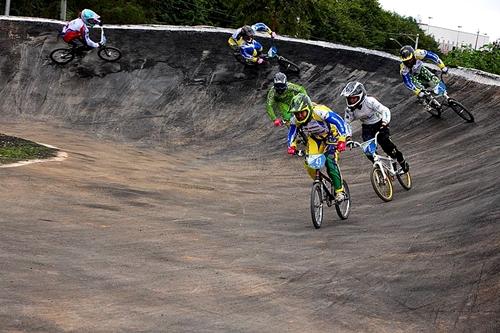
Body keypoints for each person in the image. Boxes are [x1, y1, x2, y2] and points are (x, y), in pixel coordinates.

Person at [287, 94, 348, 202]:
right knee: (309, 164)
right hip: (315, 138)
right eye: (297, 114)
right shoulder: (295, 120)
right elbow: (292, 133)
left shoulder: (320, 112)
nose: (300, 116)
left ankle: (340, 191)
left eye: (302, 112)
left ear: (308, 108)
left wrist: (342, 138)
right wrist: (291, 145)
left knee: (330, 160)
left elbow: (339, 121)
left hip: (332, 135)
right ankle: (319, 181)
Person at [341, 81, 409, 172]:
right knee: (368, 151)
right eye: (349, 99)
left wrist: (385, 123)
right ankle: (379, 168)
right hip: (367, 128)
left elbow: (384, 110)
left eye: (353, 98)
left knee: (387, 146)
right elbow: (346, 124)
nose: (351, 101)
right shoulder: (349, 110)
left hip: (380, 124)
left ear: (360, 96)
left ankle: (401, 159)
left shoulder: (370, 101)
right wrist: (348, 137)